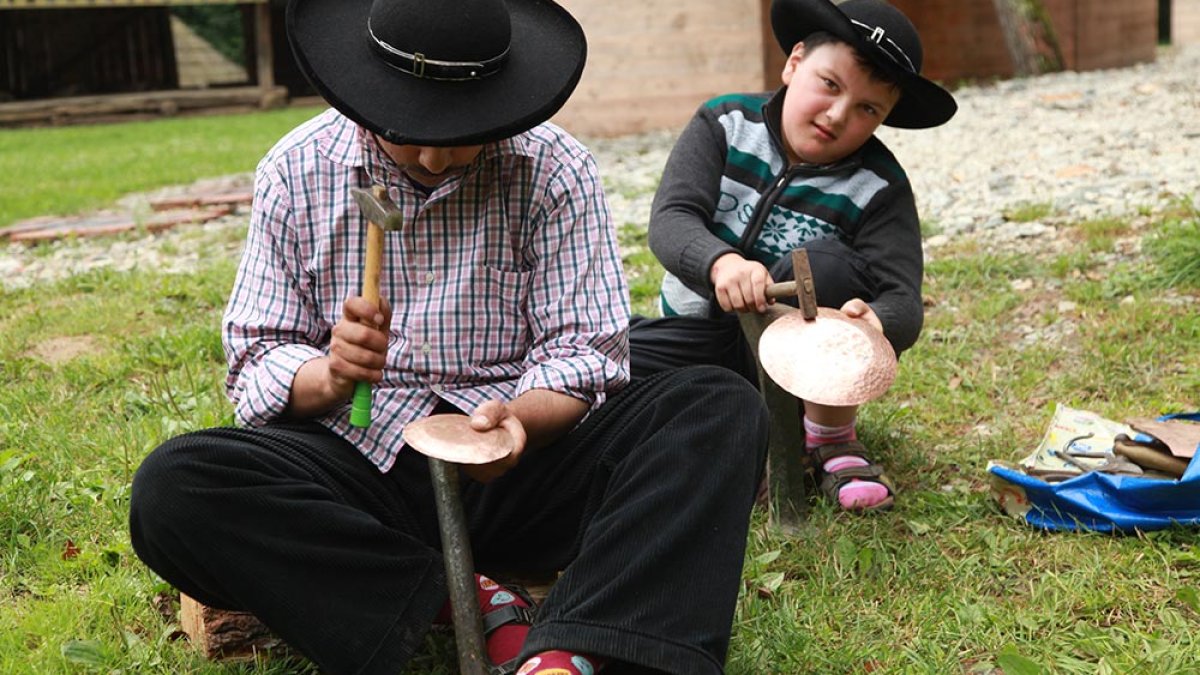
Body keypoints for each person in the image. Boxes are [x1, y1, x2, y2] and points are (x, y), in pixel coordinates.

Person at [127, 0, 769, 673]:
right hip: (359, 472)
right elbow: (258, 357)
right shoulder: (296, 168)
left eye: (465, 132)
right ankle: (459, 597)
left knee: (716, 406)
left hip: (520, 467)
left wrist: (518, 422)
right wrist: (330, 374)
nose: (435, 156)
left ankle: (571, 652)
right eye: (410, 131)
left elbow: (583, 352)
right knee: (176, 486)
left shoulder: (555, 167)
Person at [630, 0, 957, 512]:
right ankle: (737, 435)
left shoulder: (879, 186)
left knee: (825, 266)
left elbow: (903, 300)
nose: (837, 114)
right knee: (609, 363)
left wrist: (871, 323)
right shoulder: (725, 123)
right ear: (794, 62)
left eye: (867, 109)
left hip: (801, 360)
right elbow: (672, 220)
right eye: (830, 84)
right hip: (699, 334)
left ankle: (829, 439)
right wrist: (721, 263)